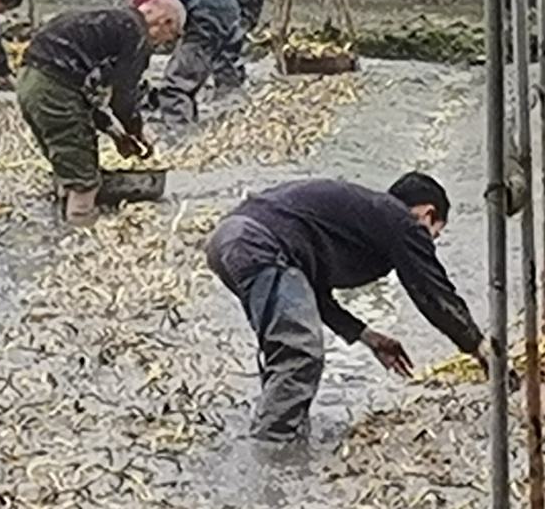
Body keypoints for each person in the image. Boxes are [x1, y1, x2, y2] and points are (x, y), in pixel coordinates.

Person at [205, 173, 490, 442]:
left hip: (229, 240)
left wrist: (367, 337)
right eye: (435, 234)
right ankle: (271, 452)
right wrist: (478, 347)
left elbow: (314, 297)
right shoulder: (404, 222)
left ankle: (285, 433)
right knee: (300, 354)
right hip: (258, 241)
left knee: (286, 349)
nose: (428, 243)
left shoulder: (366, 219)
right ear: (428, 214)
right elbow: (432, 292)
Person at [17, 0, 186, 226]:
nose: (164, 43)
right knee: (84, 177)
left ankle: (60, 216)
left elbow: (86, 95)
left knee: (66, 161)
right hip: (55, 87)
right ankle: (80, 231)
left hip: (29, 82)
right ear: (164, 21)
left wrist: (116, 133)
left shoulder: (109, 21)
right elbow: (124, 98)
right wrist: (137, 130)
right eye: (172, 35)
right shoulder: (135, 34)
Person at [123, 0, 242, 121]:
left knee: (176, 86)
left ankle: (180, 142)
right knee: (228, 78)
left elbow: (164, 3)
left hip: (205, 8)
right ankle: (236, 127)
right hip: (224, 3)